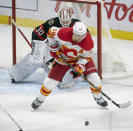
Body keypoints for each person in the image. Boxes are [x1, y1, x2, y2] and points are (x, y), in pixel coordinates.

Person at [31, 22, 108, 110]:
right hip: (62, 60)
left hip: (80, 59)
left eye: (82, 36)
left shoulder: (88, 42)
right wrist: (53, 46)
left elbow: (86, 57)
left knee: (94, 78)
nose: (79, 38)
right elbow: (50, 32)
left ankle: (98, 98)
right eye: (77, 35)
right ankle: (39, 99)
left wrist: (80, 65)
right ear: (73, 32)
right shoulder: (63, 33)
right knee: (50, 82)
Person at [8, 8, 81, 88]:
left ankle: (66, 74)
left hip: (62, 47)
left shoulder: (77, 25)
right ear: (59, 18)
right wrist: (38, 49)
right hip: (47, 43)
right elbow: (37, 32)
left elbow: (85, 37)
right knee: (36, 60)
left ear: (70, 19)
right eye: (63, 21)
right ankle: (15, 75)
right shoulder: (52, 23)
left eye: (67, 21)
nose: (65, 24)